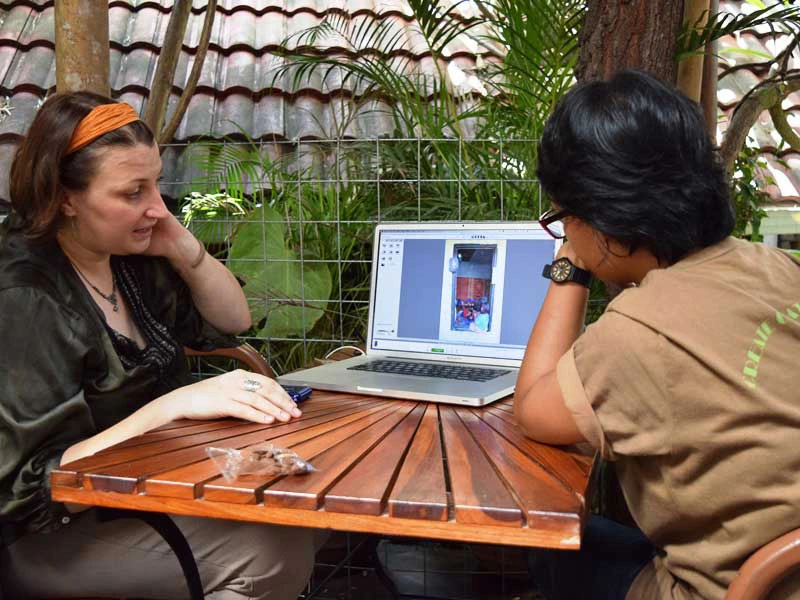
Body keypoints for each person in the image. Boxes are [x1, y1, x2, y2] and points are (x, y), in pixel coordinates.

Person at [0, 92, 319, 599]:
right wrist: (171, 408)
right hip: (50, 537)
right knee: (270, 551)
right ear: (64, 197)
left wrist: (179, 243)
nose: (156, 206)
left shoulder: (127, 258)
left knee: (298, 509)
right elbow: (33, 490)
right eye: (133, 192)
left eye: (157, 185)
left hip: (151, 492)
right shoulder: (26, 297)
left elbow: (233, 318)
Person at [514, 70, 800, 600]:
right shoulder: (778, 267)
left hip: (733, 591)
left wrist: (570, 266)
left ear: (600, 216)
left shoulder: (635, 334)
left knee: (550, 543)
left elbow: (532, 410)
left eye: (561, 216)